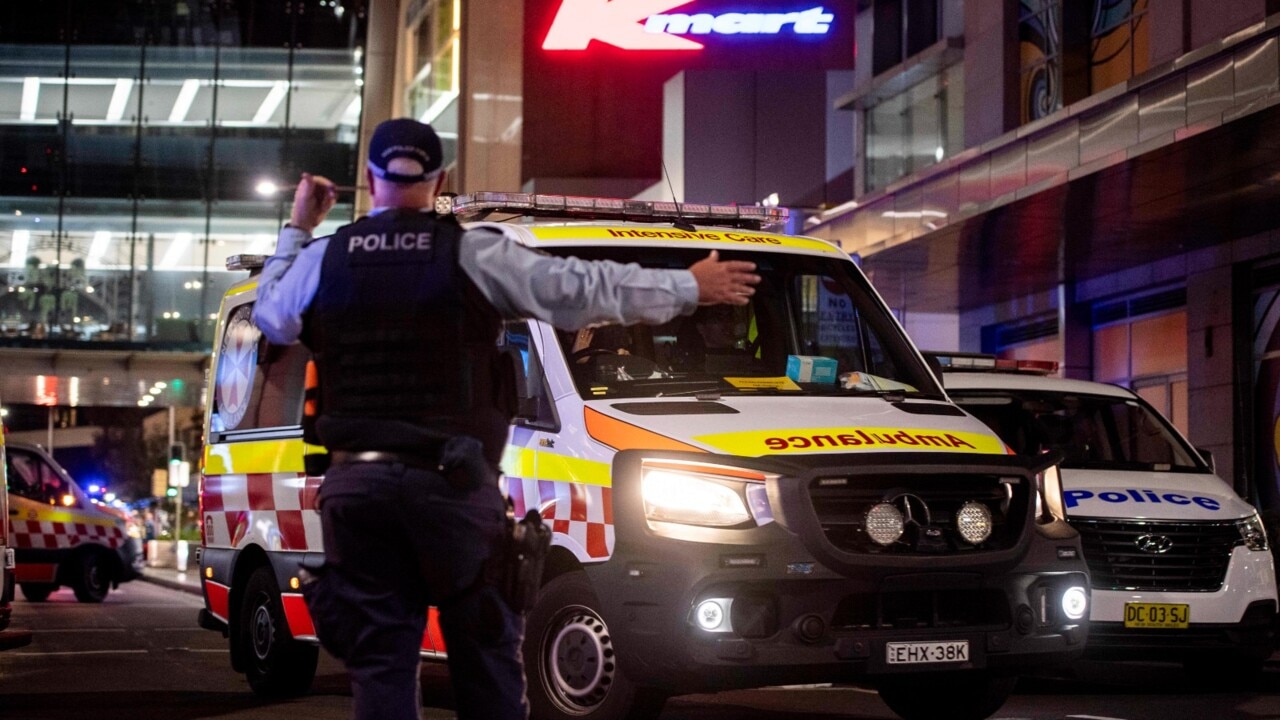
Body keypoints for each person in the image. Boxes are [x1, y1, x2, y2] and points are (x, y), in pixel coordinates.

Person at [251, 117, 760, 720]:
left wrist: (298, 227)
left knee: (381, 668)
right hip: (451, 488)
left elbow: (271, 318)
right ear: (442, 180)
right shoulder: (471, 251)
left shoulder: (322, 259)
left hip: (356, 492)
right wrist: (686, 286)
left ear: (368, 178)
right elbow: (577, 289)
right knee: (487, 663)